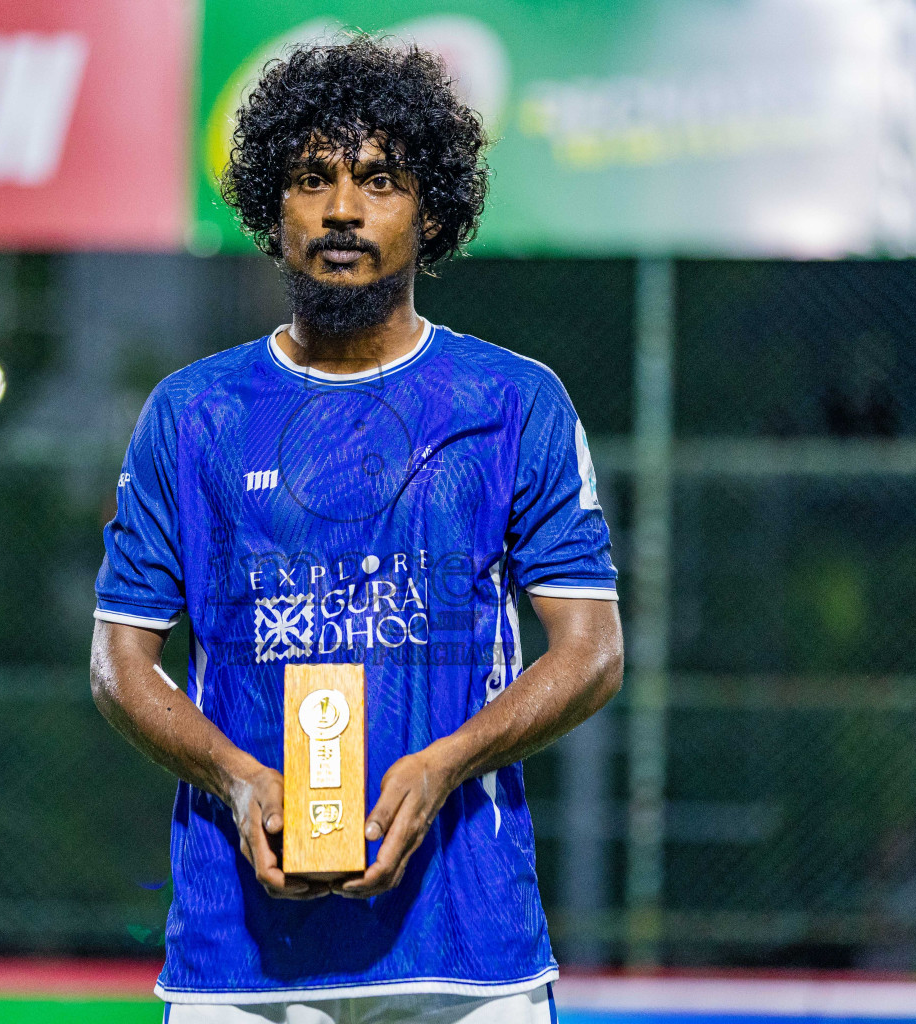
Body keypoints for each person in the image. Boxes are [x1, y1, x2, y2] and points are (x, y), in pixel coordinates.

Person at [91, 36, 624, 1024]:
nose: (342, 209)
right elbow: (120, 662)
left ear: (431, 210)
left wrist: (441, 764)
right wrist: (241, 782)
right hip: (240, 961)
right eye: (311, 178)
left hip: (468, 956)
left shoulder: (513, 403)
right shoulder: (192, 414)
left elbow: (590, 653)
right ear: (272, 206)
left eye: (379, 180)